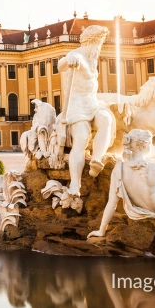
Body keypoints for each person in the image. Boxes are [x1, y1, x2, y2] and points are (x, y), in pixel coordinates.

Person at [57, 25, 116, 195]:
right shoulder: (77, 55)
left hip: (92, 103)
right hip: (76, 106)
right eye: (99, 44)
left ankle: (96, 159)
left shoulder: (92, 59)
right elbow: (61, 65)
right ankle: (75, 184)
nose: (99, 49)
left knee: (106, 119)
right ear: (92, 42)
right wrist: (70, 59)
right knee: (81, 137)